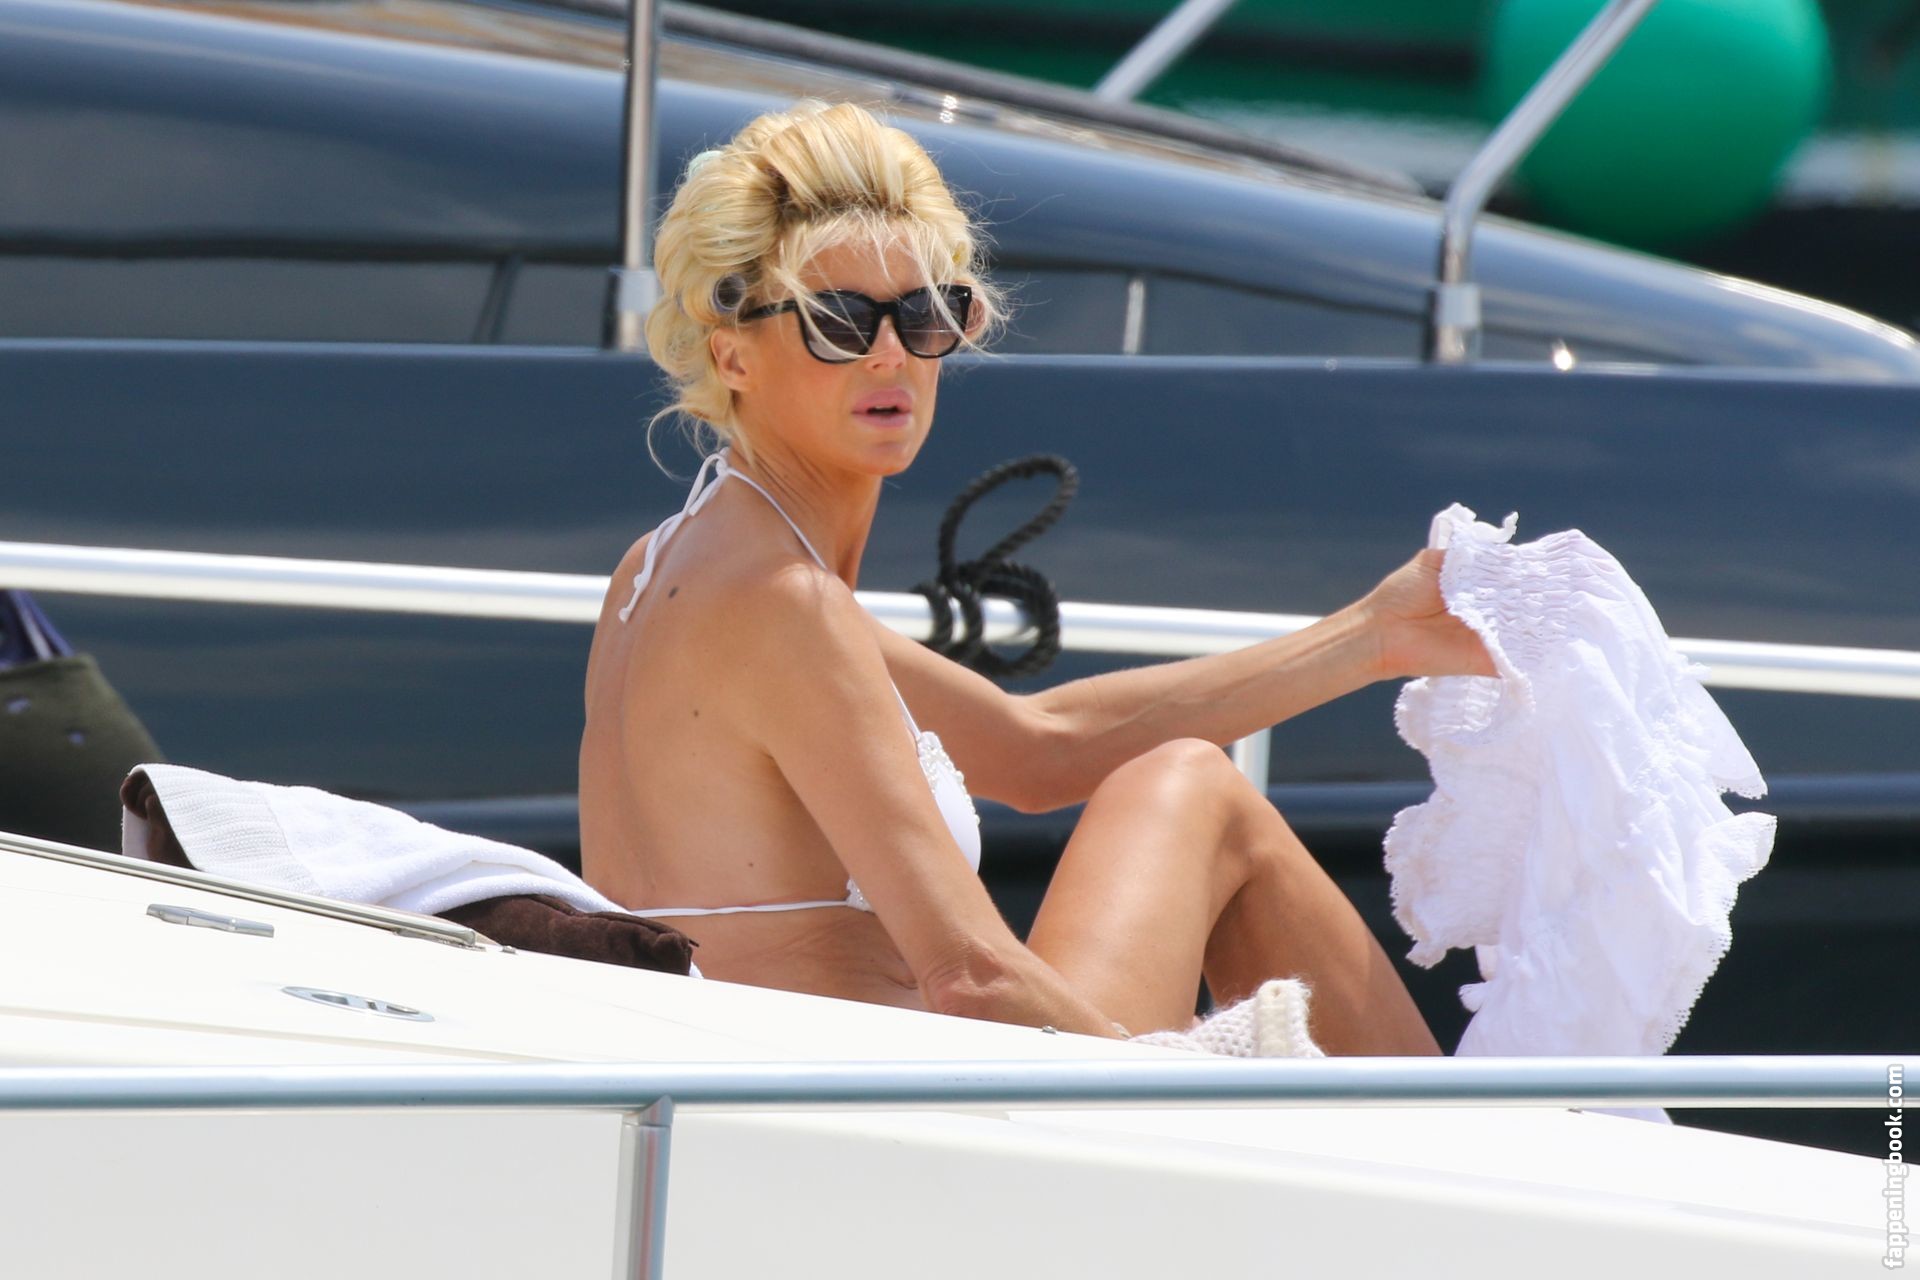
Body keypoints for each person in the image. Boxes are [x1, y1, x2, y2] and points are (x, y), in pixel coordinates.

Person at [579, 100, 1495, 1054]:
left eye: (926, 314)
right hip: (863, 1112)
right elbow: (969, 977)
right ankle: (1476, 1143)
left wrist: (1374, 636)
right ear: (731, 354)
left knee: (1184, 782)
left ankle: (1462, 1138)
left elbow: (1036, 750)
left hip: (749, 1091)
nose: (891, 352)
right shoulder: (784, 603)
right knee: (1202, 796)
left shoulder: (668, 567)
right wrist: (1180, 1089)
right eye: (837, 321)